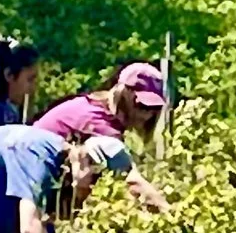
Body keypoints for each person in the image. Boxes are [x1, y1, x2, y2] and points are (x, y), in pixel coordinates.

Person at [35, 61, 171, 215]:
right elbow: (131, 181)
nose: (147, 115)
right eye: (142, 106)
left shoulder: (95, 105)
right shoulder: (99, 124)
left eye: (154, 108)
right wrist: (168, 212)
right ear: (123, 94)